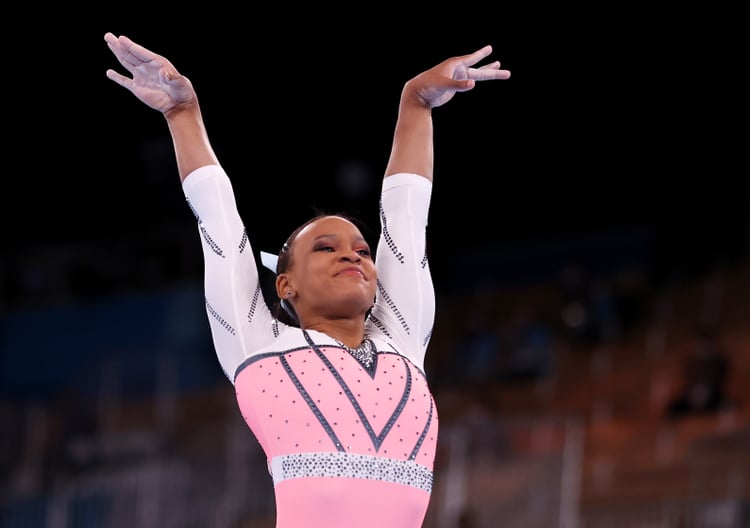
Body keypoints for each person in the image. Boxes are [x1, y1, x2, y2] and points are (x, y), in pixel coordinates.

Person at [104, 32, 510, 528]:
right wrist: (181, 114)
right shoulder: (257, 345)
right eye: (327, 248)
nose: (353, 255)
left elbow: (407, 220)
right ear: (285, 284)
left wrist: (416, 102)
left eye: (362, 250)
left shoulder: (403, 338)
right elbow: (219, 224)